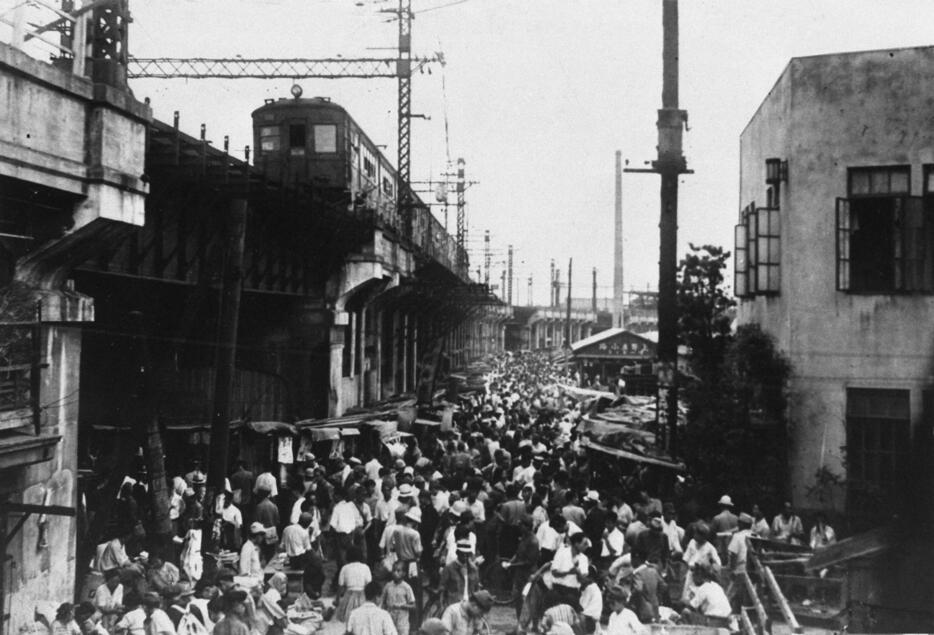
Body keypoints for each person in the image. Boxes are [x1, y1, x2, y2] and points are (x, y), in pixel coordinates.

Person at [681, 522, 721, 603]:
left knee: (698, 596)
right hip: (691, 573)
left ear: (703, 536)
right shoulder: (692, 542)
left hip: (701, 576)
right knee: (687, 596)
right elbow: (686, 558)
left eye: (697, 534)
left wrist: (709, 564)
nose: (694, 535)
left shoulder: (710, 548)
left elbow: (717, 565)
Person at [336, 546, 373, 622]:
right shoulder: (365, 567)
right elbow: (370, 585)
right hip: (363, 596)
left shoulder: (345, 568)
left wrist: (337, 600)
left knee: (348, 616)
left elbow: (340, 586)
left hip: (349, 596)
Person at [440, 540, 480, 609]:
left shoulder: (474, 569)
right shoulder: (449, 568)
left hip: (470, 605)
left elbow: (477, 589)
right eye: (462, 554)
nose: (465, 557)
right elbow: (442, 589)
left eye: (467, 554)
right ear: (457, 553)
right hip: (454, 606)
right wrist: (442, 606)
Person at [726, 513, 754, 611]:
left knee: (730, 594)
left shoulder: (737, 536)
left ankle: (726, 611)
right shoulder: (756, 535)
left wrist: (732, 570)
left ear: (741, 524)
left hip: (741, 568)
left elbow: (733, 554)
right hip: (754, 570)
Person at [380, 561, 416, 635]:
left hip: (402, 620)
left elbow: (413, 605)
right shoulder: (388, 586)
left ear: (404, 573)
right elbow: (382, 602)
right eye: (394, 570)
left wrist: (402, 606)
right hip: (390, 618)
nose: (395, 573)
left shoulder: (406, 587)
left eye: (398, 571)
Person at [631, 554, 667, 623]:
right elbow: (664, 586)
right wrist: (656, 595)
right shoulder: (654, 571)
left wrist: (631, 598)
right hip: (655, 608)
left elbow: (639, 589)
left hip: (643, 610)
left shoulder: (637, 573)